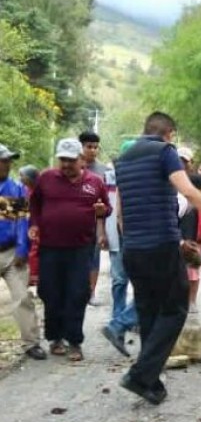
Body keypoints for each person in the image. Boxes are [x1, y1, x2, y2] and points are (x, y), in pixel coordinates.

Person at [115, 111, 201, 405]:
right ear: (168, 133)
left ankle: (150, 383)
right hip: (160, 244)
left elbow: (120, 211)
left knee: (149, 312)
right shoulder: (164, 151)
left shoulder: (124, 158)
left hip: (133, 247)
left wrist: (128, 237)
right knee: (175, 308)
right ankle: (140, 374)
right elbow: (189, 192)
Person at [29, 138, 111, 362]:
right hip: (50, 247)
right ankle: (55, 338)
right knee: (50, 292)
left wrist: (103, 211)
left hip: (80, 248)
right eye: (62, 160)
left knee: (77, 294)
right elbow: (34, 203)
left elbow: (106, 208)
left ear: (81, 160)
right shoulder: (46, 178)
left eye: (70, 160)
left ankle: (75, 341)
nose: (65, 165)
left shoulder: (94, 182)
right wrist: (35, 224)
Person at [0, 145, 45, 360]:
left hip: (10, 253)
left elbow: (21, 222)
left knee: (22, 299)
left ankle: (31, 342)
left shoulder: (15, 188)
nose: (7, 164)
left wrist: (21, 249)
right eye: (3, 160)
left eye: (8, 160)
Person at [101, 141, 139, 357]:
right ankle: (118, 326)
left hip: (132, 238)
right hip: (124, 238)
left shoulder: (135, 174)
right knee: (120, 280)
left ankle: (119, 325)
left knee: (136, 282)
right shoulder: (113, 175)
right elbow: (118, 214)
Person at [79, 131, 110, 307]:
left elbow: (108, 200)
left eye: (95, 147)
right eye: (89, 146)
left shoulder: (104, 170)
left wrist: (105, 226)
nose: (93, 150)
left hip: (96, 221)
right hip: (74, 222)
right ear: (81, 147)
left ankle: (91, 293)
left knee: (94, 257)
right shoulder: (72, 167)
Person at [180, 174, 201, 313]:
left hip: (197, 239)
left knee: (193, 272)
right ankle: (180, 300)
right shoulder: (180, 197)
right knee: (179, 272)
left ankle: (192, 300)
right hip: (181, 239)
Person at [18, 165, 40, 287]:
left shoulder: (39, 191)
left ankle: (34, 278)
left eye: (22, 176)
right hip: (26, 224)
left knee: (35, 250)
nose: (20, 178)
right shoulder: (24, 190)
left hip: (36, 225)